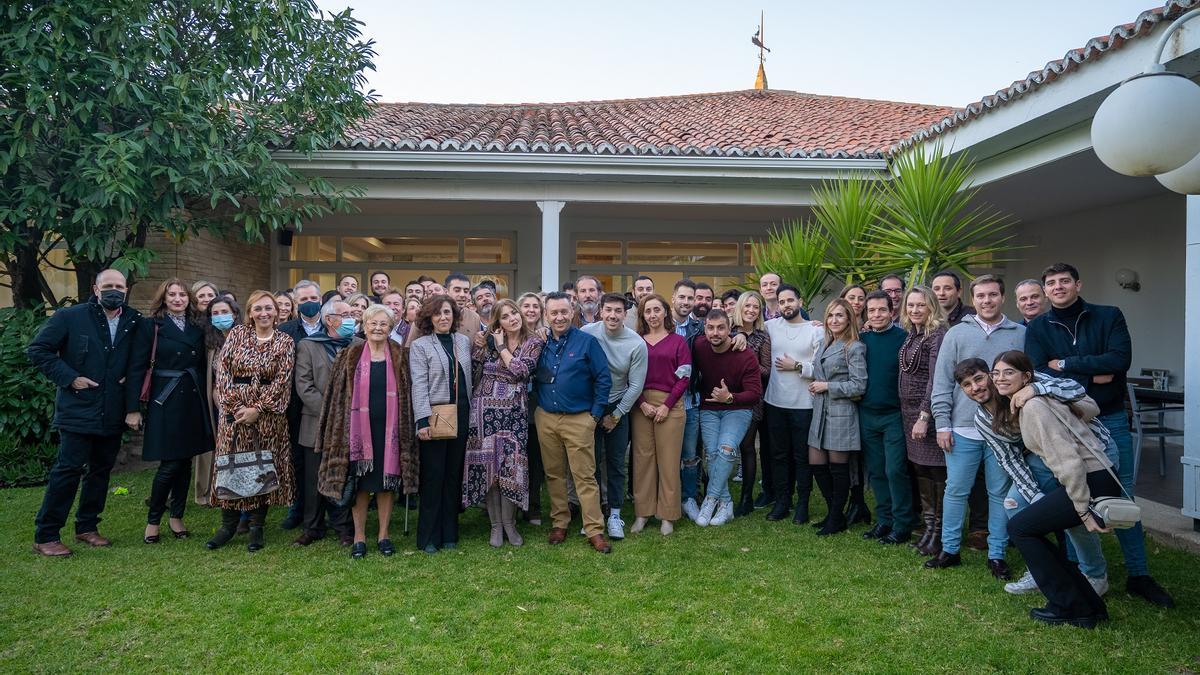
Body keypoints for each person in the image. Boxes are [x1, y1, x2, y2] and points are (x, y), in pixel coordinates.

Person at [1024, 262, 1174, 608]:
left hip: (1111, 418)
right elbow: (1039, 375)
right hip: (1064, 424)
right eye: (1051, 283)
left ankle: (1139, 574)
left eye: (1064, 281)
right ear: (1045, 291)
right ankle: (1084, 569)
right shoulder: (1039, 328)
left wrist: (1067, 364)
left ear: (1078, 283)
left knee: (1123, 496)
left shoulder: (1108, 316)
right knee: (1069, 495)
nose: (1058, 287)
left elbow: (1119, 360)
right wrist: (1095, 374)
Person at [975, 352, 1121, 628]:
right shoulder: (1026, 403)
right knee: (1025, 525)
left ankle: (1072, 606)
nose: (1000, 378)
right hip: (1093, 477)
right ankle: (1088, 605)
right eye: (996, 373)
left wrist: (1083, 508)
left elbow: (1068, 462)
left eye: (1008, 373)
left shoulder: (1034, 407)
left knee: (1021, 529)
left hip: (1091, 480)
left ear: (1026, 377)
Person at [27, 269, 143, 556]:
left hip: (113, 411)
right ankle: (47, 535)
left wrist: (132, 408)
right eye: (108, 286)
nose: (114, 290)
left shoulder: (134, 321)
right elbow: (38, 350)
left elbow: (136, 366)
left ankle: (87, 527)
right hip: (78, 408)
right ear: (95, 288)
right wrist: (70, 377)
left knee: (101, 472)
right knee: (67, 471)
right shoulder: (71, 317)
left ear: (126, 290)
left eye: (119, 286)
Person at [927, 275, 1024, 578]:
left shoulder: (1019, 333)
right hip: (962, 428)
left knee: (998, 492)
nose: (986, 301)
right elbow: (941, 380)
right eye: (980, 296)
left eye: (992, 295)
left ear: (1002, 297)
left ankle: (996, 554)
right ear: (973, 298)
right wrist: (942, 423)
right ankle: (950, 549)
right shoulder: (956, 333)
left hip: (1003, 428)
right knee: (956, 490)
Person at [317, 305, 417, 559]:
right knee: (360, 485)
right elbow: (334, 397)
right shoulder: (348, 356)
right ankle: (359, 537)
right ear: (364, 324)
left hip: (391, 432)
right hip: (356, 433)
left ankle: (384, 535)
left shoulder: (401, 356)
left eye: (383, 324)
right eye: (373, 323)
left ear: (391, 327)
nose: (377, 328)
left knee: (386, 483)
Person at [205, 291, 296, 552]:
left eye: (269, 308)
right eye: (258, 308)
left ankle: (256, 527)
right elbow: (223, 373)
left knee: (260, 466)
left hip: (267, 416)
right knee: (231, 464)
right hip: (234, 414)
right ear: (250, 312)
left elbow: (282, 381)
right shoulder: (236, 335)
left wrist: (258, 408)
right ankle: (228, 525)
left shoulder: (285, 341)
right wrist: (236, 407)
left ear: (277, 312)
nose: (264, 313)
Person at [127, 278, 211, 545]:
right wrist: (132, 409)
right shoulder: (150, 325)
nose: (177, 299)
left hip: (192, 398)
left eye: (182, 295)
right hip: (165, 399)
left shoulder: (198, 326)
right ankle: (153, 519)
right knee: (170, 463)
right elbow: (137, 367)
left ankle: (177, 516)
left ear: (189, 299)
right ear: (163, 298)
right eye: (172, 295)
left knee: (185, 461)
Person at [462, 299, 545, 547]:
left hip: (514, 412)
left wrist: (501, 347)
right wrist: (483, 343)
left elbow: (521, 371)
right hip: (483, 411)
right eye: (506, 316)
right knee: (489, 468)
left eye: (514, 313)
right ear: (498, 323)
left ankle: (510, 524)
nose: (513, 318)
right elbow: (473, 365)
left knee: (510, 467)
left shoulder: (533, 342)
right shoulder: (486, 342)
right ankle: (496, 526)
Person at [535, 292, 613, 553]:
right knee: (554, 474)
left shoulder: (587, 343)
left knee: (584, 476)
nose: (559, 317)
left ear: (573, 312)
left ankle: (594, 529)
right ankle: (560, 522)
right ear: (546, 315)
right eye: (554, 313)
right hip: (546, 417)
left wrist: (594, 416)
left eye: (564, 312)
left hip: (579, 418)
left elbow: (604, 379)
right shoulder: (539, 343)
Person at [292, 300, 359, 548]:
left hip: (350, 425)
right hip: (316, 424)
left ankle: (343, 527)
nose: (351, 318)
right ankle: (313, 526)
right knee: (313, 478)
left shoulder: (358, 345)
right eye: (345, 314)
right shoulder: (308, 346)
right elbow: (304, 386)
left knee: (343, 476)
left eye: (353, 314)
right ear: (330, 320)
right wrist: (330, 412)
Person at [409, 295, 473, 553]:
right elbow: (419, 384)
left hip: (462, 414)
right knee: (433, 477)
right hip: (435, 415)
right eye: (437, 314)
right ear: (429, 318)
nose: (443, 317)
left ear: (454, 316)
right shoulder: (421, 346)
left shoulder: (464, 341)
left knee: (453, 476)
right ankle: (428, 536)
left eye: (447, 312)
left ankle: (450, 533)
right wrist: (422, 421)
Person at [582, 293, 648, 539]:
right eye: (608, 310)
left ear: (625, 313)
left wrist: (617, 415)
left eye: (618, 311)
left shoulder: (635, 343)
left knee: (616, 462)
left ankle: (615, 515)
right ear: (600, 311)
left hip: (618, 405)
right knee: (590, 463)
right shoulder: (587, 333)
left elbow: (635, 385)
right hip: (589, 405)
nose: (612, 315)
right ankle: (594, 514)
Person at [692, 309, 763, 527]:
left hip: (738, 409)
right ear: (704, 329)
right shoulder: (699, 346)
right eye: (710, 328)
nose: (715, 333)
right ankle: (726, 503)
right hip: (709, 409)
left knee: (726, 449)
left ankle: (711, 500)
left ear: (729, 328)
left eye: (721, 328)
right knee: (712, 454)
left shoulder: (745, 354)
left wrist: (730, 397)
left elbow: (755, 393)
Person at [806, 299, 867, 535]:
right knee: (816, 464)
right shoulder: (824, 342)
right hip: (821, 411)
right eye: (830, 315)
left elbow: (859, 385)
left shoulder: (854, 347)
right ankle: (836, 513)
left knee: (838, 469)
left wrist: (827, 386)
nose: (834, 320)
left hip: (841, 413)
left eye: (840, 316)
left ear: (849, 319)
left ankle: (834, 518)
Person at [762, 284, 823, 524]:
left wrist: (797, 366)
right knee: (778, 455)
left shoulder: (815, 330)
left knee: (802, 456)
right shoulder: (769, 327)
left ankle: (803, 504)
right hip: (775, 402)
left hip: (804, 405)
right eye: (781, 301)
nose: (786, 305)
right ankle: (782, 501)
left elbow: (821, 368)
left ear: (800, 301)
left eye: (790, 300)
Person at [630, 293, 690, 535]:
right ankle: (642, 513)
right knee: (642, 460)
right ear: (642, 316)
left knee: (668, 461)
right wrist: (642, 403)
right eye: (648, 311)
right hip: (641, 404)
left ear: (666, 312)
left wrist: (667, 405)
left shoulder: (678, 342)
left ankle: (667, 515)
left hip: (671, 405)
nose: (652, 315)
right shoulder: (636, 341)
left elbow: (684, 376)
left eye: (657, 310)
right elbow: (629, 377)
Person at [858, 290, 915, 544]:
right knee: (877, 471)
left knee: (895, 470)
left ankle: (903, 524)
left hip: (894, 415)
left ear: (892, 311)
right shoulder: (861, 339)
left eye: (882, 309)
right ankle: (884, 520)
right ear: (866, 314)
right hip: (867, 413)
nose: (877, 314)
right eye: (872, 310)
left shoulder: (904, 339)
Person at [899, 286, 949, 556]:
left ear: (931, 306)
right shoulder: (913, 334)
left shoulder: (937, 335)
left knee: (936, 472)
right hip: (907, 415)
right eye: (911, 305)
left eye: (921, 305)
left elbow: (936, 379)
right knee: (921, 471)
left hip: (925, 414)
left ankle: (940, 533)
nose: (915, 310)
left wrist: (924, 416)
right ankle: (928, 529)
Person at [276, 279, 323, 531]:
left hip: (322, 405)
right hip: (293, 406)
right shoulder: (285, 330)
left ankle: (322, 508)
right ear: (296, 303)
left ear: (321, 300)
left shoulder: (332, 327)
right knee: (297, 460)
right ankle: (297, 507)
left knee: (320, 460)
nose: (309, 303)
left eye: (313, 298)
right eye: (303, 300)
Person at [729, 291, 771, 516]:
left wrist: (748, 358)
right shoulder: (727, 330)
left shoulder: (762, 337)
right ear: (740, 307)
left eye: (756, 307)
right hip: (726, 397)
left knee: (746, 447)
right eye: (748, 306)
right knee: (725, 447)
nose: (751, 310)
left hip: (752, 398)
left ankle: (746, 497)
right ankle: (718, 494)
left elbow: (767, 370)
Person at [195, 297, 240, 508]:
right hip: (217, 404)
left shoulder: (245, 338)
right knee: (218, 448)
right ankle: (215, 491)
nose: (221, 316)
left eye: (225, 311)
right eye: (216, 313)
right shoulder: (209, 343)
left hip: (244, 403)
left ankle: (242, 492)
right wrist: (218, 399)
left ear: (234, 314)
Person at [668, 279, 705, 520]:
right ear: (673, 298)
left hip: (690, 400)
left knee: (690, 454)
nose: (686, 302)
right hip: (663, 400)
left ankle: (689, 498)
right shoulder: (659, 324)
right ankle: (667, 498)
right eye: (682, 297)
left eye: (690, 298)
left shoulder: (700, 328)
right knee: (666, 453)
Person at [517, 291, 548, 523]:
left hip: (536, 405)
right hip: (510, 405)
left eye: (535, 306)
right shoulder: (510, 335)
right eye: (526, 306)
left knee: (535, 458)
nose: (530, 310)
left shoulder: (546, 337)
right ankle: (510, 506)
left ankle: (533, 506)